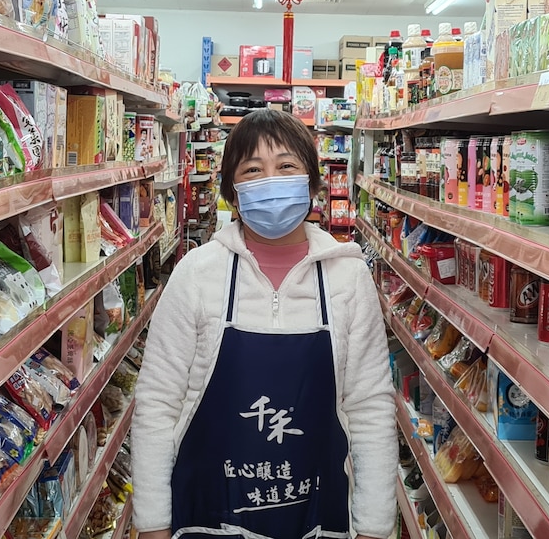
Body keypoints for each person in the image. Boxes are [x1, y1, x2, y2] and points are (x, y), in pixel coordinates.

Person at [132, 109, 398, 539]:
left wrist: (374, 527)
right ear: (232, 194)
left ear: (312, 184)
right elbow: (157, 404)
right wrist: (151, 524)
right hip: (208, 517)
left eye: (287, 167)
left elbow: (370, 409)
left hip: (316, 516)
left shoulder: (348, 278)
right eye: (253, 170)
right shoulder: (196, 274)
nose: (271, 182)